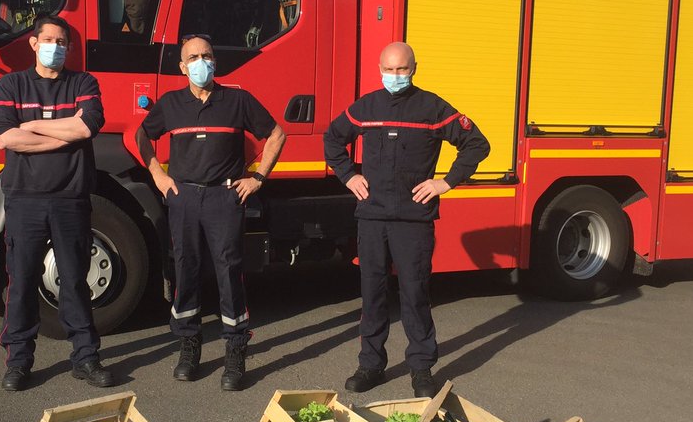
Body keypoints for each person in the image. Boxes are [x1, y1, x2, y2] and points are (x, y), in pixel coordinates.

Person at [323, 41, 490, 398]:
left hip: (414, 220)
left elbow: (476, 144)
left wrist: (445, 182)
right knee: (373, 293)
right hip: (372, 217)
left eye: (402, 69)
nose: (395, 76)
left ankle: (421, 368)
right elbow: (333, 138)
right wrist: (348, 175)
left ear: (414, 68)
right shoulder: (366, 106)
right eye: (388, 69)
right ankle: (370, 364)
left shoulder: (433, 107)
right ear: (379, 68)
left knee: (414, 293)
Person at [135, 34, 286, 391]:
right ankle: (189, 346)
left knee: (229, 271)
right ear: (182, 67)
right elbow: (140, 136)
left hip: (224, 197)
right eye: (194, 57)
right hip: (184, 197)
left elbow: (277, 133)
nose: (201, 62)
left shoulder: (237, 100)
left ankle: (235, 349)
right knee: (185, 268)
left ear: (214, 61)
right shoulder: (170, 104)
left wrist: (258, 178)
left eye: (207, 55)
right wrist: (157, 173)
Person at [0, 14, 116, 392]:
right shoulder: (10, 84)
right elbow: (5, 139)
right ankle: (19, 361)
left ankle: (86, 358)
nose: (56, 47)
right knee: (22, 280)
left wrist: (31, 126)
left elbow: (87, 126)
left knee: (75, 280)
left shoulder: (83, 82)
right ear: (33, 42)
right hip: (24, 198)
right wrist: (63, 134)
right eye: (49, 40)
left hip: (70, 196)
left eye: (62, 42)